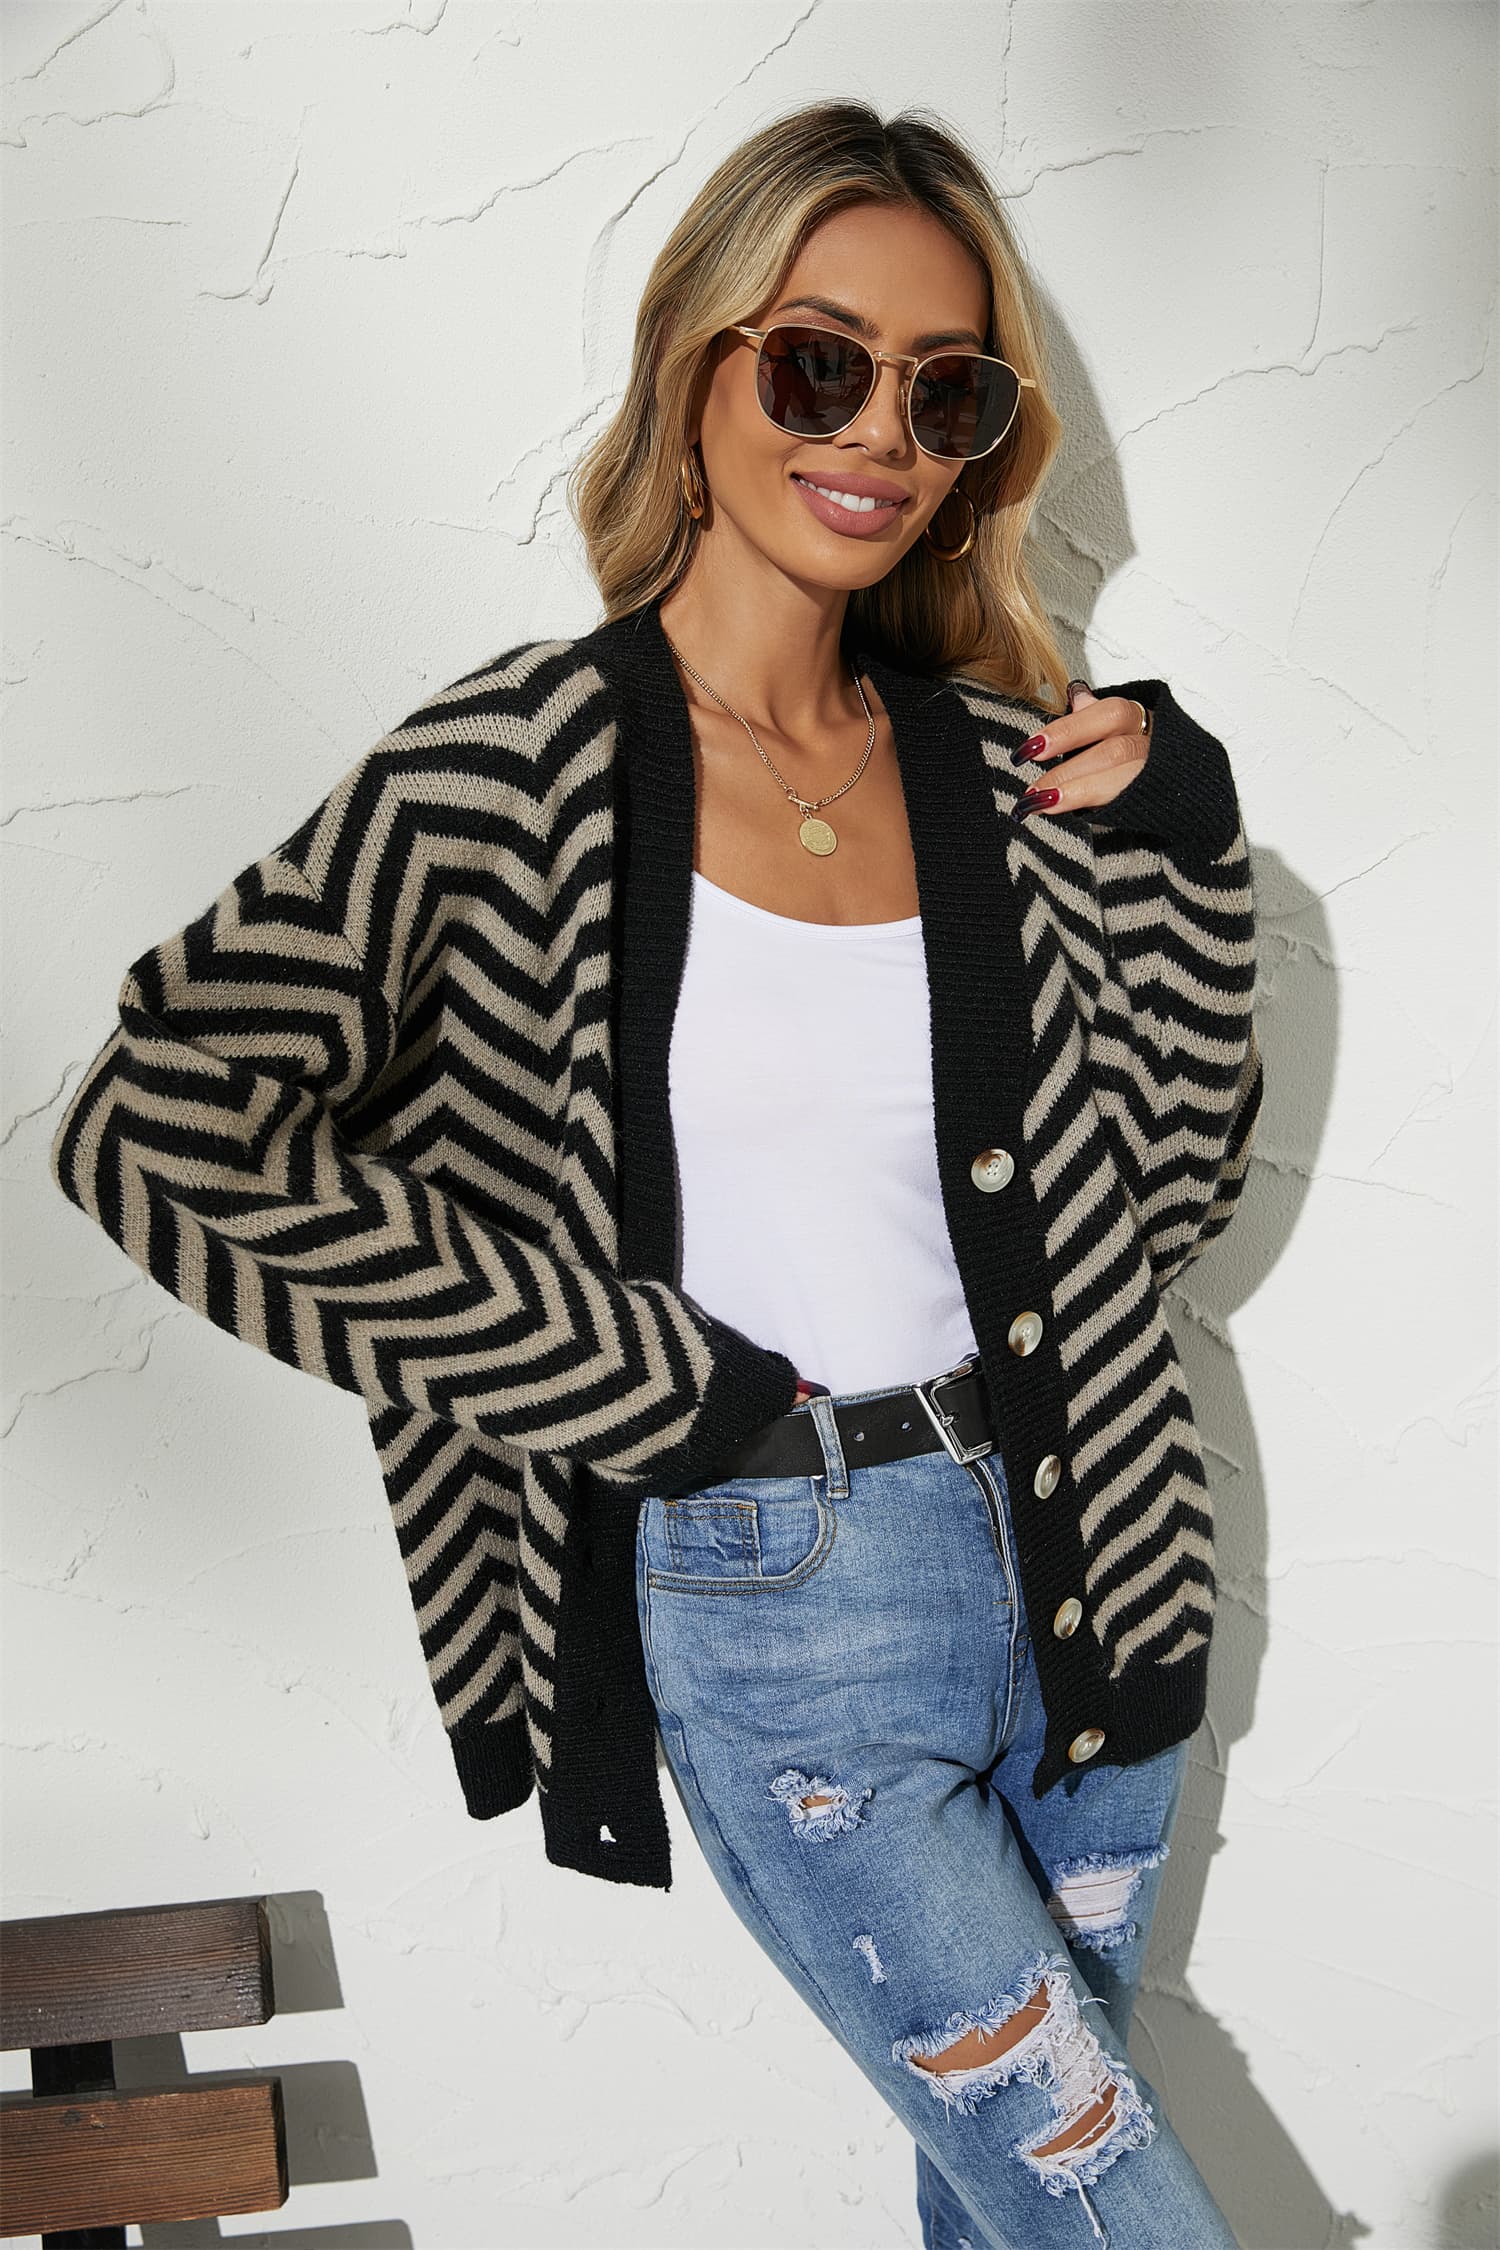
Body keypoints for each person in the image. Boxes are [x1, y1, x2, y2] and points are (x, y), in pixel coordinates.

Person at [50, 99, 1261, 2250]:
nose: (878, 433)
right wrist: (615, 1372)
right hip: (786, 1595)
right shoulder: (510, 771)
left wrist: (1184, 857)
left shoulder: (1015, 773)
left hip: (1096, 1577)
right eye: (819, 362)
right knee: (1115, 2212)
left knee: (1014, 2214)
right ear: (698, 369)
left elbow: (1169, 1201)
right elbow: (153, 1118)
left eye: (945, 393)